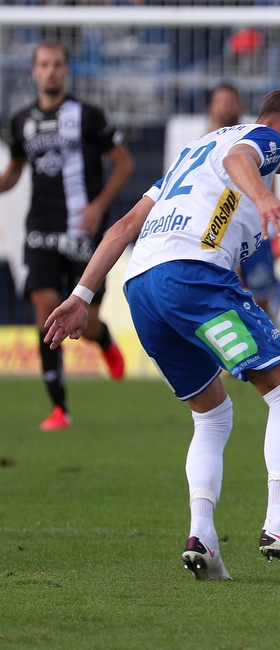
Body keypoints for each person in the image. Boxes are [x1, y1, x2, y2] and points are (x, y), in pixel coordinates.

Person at [43, 87, 280, 581]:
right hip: (194, 277)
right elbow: (241, 158)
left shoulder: (193, 152)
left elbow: (125, 225)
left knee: (212, 416)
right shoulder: (264, 140)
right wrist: (265, 196)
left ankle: (202, 538)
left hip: (142, 288)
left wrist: (82, 294)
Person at [0, 41, 134, 431]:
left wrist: (98, 205)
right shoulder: (21, 120)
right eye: (44, 64)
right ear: (34, 71)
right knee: (45, 312)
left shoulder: (88, 116)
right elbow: (14, 172)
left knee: (82, 322)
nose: (51, 71)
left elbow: (124, 165)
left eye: (58, 64)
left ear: (66, 70)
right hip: (40, 227)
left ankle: (103, 338)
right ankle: (60, 407)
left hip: (84, 230)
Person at [206, 82, 280, 319]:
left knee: (262, 297)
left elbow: (270, 182)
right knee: (219, 298)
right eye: (221, 102)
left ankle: (271, 342)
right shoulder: (205, 144)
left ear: (240, 105)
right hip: (216, 234)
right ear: (211, 108)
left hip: (251, 232)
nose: (226, 107)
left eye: (230, 102)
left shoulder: (253, 139)